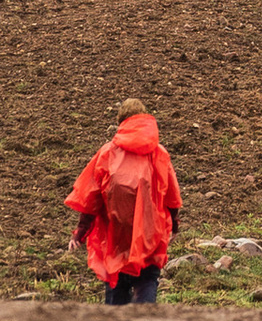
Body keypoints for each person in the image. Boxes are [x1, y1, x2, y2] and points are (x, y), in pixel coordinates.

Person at [66, 99, 183, 306]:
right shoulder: (159, 153)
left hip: (116, 237)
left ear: (121, 123)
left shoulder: (107, 153)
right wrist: (174, 225)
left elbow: (91, 196)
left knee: (116, 292)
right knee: (147, 281)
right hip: (150, 236)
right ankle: (143, 319)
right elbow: (172, 197)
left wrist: (81, 232)